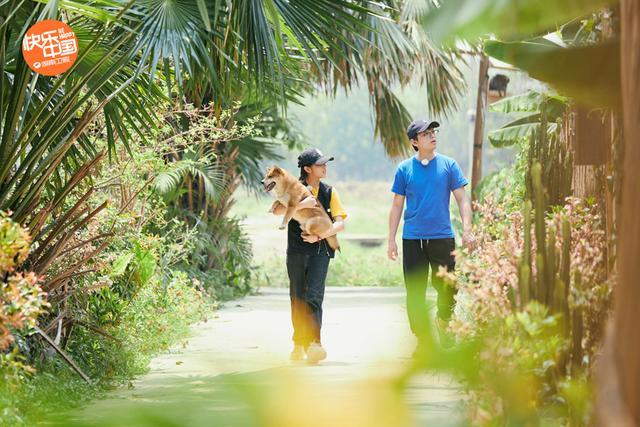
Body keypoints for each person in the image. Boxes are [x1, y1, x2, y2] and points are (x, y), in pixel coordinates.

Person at [387, 119, 473, 353]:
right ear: (414, 142)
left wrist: (467, 230)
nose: (432, 136)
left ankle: (444, 320)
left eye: (433, 132)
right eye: (425, 134)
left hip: (442, 237)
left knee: (448, 286)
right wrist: (391, 239)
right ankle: (422, 339)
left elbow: (462, 199)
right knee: (415, 291)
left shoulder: (449, 165)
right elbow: (396, 206)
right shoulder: (404, 169)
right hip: (412, 238)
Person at [270, 148, 347, 363]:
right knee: (297, 296)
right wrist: (302, 204)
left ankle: (314, 344)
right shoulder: (291, 188)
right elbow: (276, 211)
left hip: (320, 251)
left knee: (314, 295)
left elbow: (339, 223)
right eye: (320, 164)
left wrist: (320, 236)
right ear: (307, 168)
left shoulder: (330, 192)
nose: (325, 167)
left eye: (325, 163)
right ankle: (298, 343)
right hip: (296, 251)